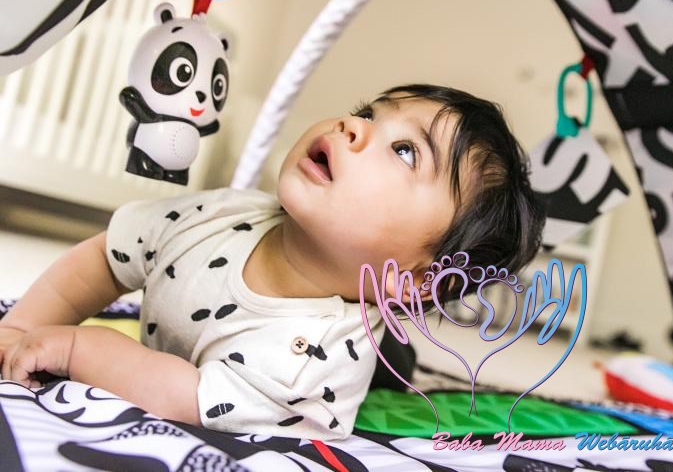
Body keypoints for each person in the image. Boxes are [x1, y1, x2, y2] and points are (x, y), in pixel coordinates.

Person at [0, 83, 544, 440]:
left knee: (392, 364)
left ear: (418, 277)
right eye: (367, 114)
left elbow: (189, 398)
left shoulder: (309, 363)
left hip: (332, 353)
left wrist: (79, 348)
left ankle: (394, 354)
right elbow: (108, 256)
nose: (353, 126)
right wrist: (22, 326)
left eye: (406, 151)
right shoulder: (219, 214)